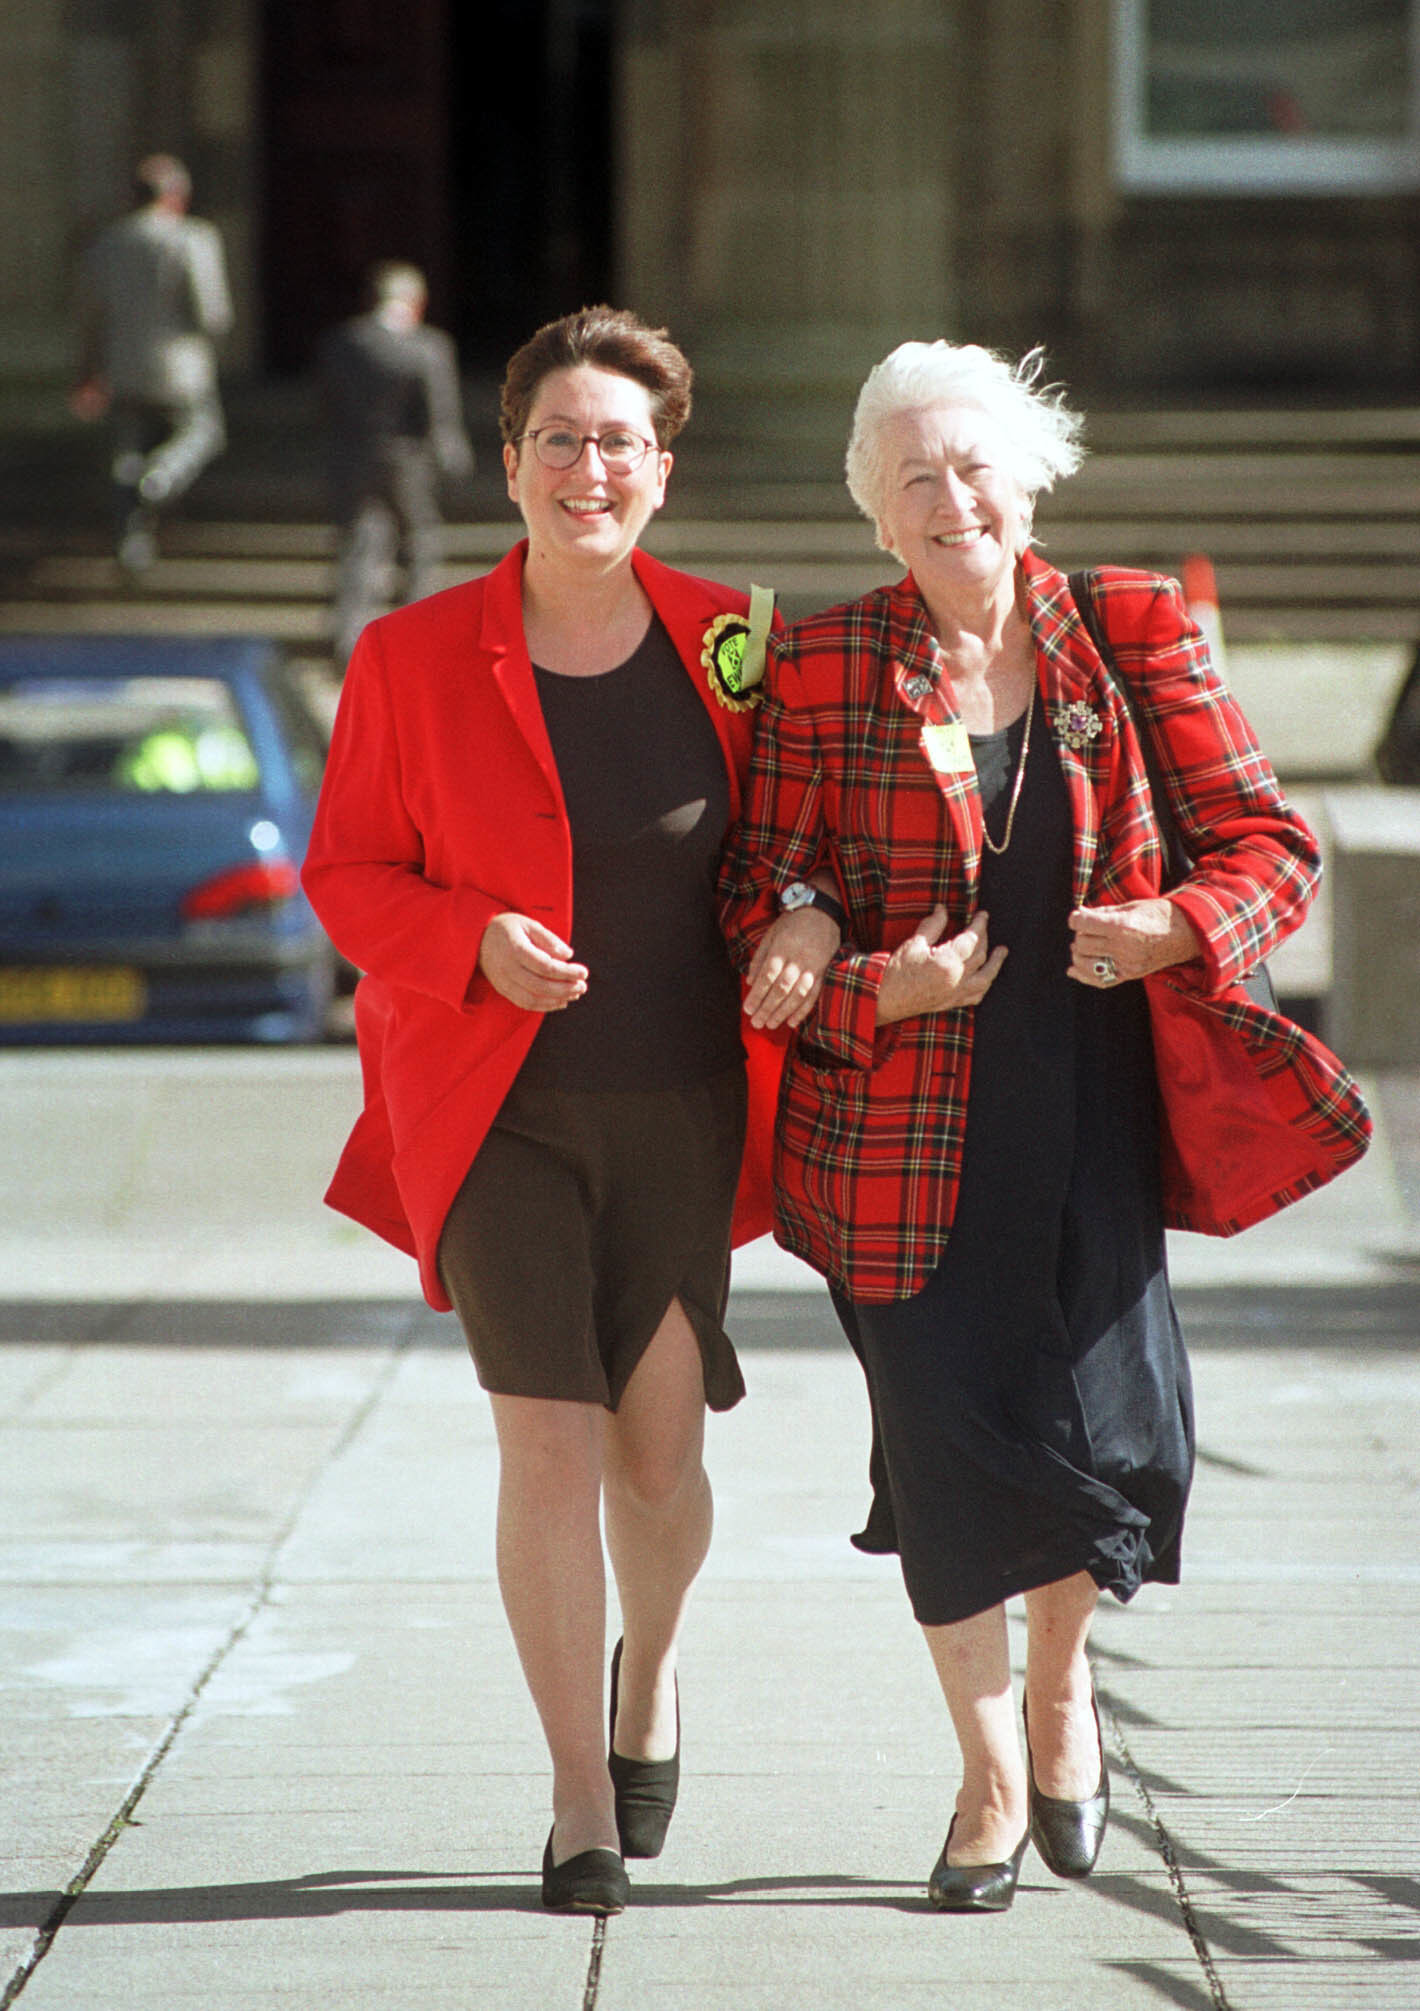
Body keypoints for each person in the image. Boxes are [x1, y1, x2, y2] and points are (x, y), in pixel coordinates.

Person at [719, 340, 1370, 1914]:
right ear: (880, 517)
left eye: (975, 467)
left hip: (1093, 1108)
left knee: (1101, 1437)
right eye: (915, 480)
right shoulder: (820, 662)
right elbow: (757, 881)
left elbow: (1274, 843)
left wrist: (1174, 928)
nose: (953, 500)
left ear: (1031, 481)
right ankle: (988, 1773)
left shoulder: (1129, 630)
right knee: (947, 1453)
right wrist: (847, 955)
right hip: (893, 1137)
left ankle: (1064, 1688)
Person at [301, 307, 838, 1915]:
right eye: (557, 440)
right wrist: (465, 936)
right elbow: (342, 872)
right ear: (514, 463)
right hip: (496, 1112)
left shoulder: (743, 638)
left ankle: (649, 1668)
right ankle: (576, 1793)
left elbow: (813, 831)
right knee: (545, 1441)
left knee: (659, 1462)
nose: (586, 468)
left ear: (659, 471)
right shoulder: (406, 654)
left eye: (617, 443)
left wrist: (808, 913)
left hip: (682, 1105)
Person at [72, 154, 232, 573]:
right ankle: (162, 477)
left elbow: (90, 316)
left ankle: (133, 546)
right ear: (177, 196)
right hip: (179, 368)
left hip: (122, 368)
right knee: (202, 431)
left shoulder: (106, 243)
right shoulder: (191, 237)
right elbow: (212, 313)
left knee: (126, 455)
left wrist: (88, 372)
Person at [317, 261, 476, 666]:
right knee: (420, 539)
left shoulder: (343, 343)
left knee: (358, 544)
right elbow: (440, 413)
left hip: (353, 458)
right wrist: (452, 459)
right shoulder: (427, 347)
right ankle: (416, 635)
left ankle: (347, 641)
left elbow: (326, 405)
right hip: (408, 461)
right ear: (416, 303)